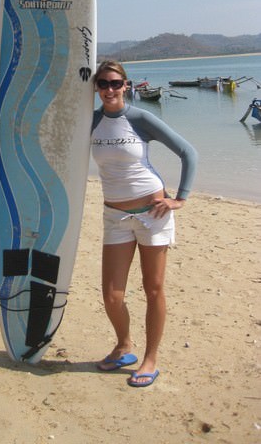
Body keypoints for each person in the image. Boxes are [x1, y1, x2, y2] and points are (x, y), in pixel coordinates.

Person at [90, 60, 197, 388]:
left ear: (126, 85)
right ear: (96, 87)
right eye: (103, 84)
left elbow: (187, 152)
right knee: (112, 295)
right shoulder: (90, 122)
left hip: (153, 215)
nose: (110, 90)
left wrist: (180, 198)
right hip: (115, 216)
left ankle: (150, 358)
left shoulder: (139, 118)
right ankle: (124, 346)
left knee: (153, 289)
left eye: (115, 83)